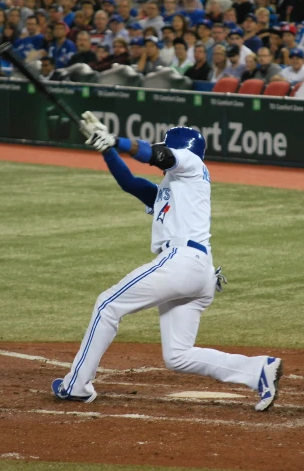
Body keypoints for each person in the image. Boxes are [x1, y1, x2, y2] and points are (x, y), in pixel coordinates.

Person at [52, 115, 284, 412]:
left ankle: (76, 386)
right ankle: (259, 371)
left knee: (107, 305)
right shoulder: (172, 187)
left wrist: (119, 141)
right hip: (199, 272)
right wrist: (106, 148)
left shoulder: (191, 165)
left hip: (182, 262)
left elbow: (158, 155)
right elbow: (131, 183)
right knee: (178, 354)